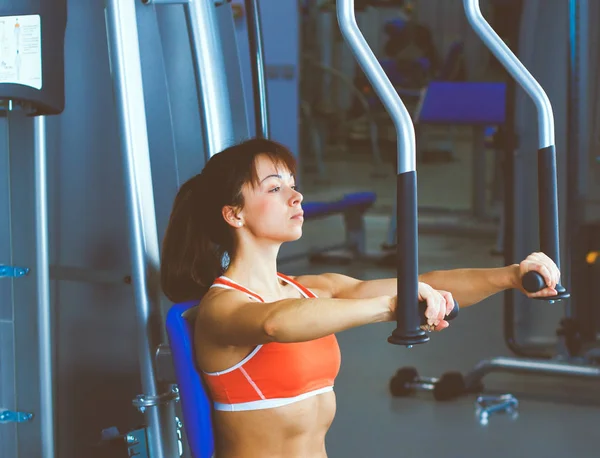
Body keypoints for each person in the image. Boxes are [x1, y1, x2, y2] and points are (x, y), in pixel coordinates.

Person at [160, 138, 561, 458]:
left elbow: (425, 280)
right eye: (275, 188)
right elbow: (275, 323)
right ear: (235, 214)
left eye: (294, 185)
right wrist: (392, 308)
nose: (296, 196)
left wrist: (509, 276)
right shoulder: (222, 307)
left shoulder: (312, 288)